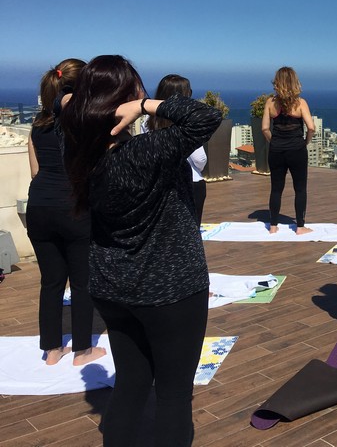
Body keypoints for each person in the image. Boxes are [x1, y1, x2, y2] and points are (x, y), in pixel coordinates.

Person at [60, 55, 221, 447]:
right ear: (123, 97)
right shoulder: (146, 152)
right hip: (171, 290)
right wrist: (147, 106)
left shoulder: (81, 152)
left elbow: (61, 106)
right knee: (173, 394)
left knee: (131, 384)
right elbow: (205, 118)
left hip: (113, 287)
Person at [26, 58, 107, 366]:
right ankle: (83, 350)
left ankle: (51, 349)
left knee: (51, 282)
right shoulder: (84, 121)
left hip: (39, 207)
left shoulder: (38, 123)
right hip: (73, 208)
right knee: (82, 282)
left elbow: (35, 172)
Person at [146, 74, 208, 227]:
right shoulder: (187, 125)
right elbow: (199, 158)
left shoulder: (148, 123)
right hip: (191, 181)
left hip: (158, 183)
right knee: (192, 228)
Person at [261, 67, 315, 235]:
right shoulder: (300, 103)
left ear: (277, 83)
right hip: (297, 149)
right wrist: (305, 141)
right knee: (300, 188)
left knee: (276, 188)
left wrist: (274, 141)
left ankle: (273, 226)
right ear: (294, 82)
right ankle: (299, 226)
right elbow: (311, 127)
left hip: (276, 150)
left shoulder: (270, 102)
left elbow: (264, 128)